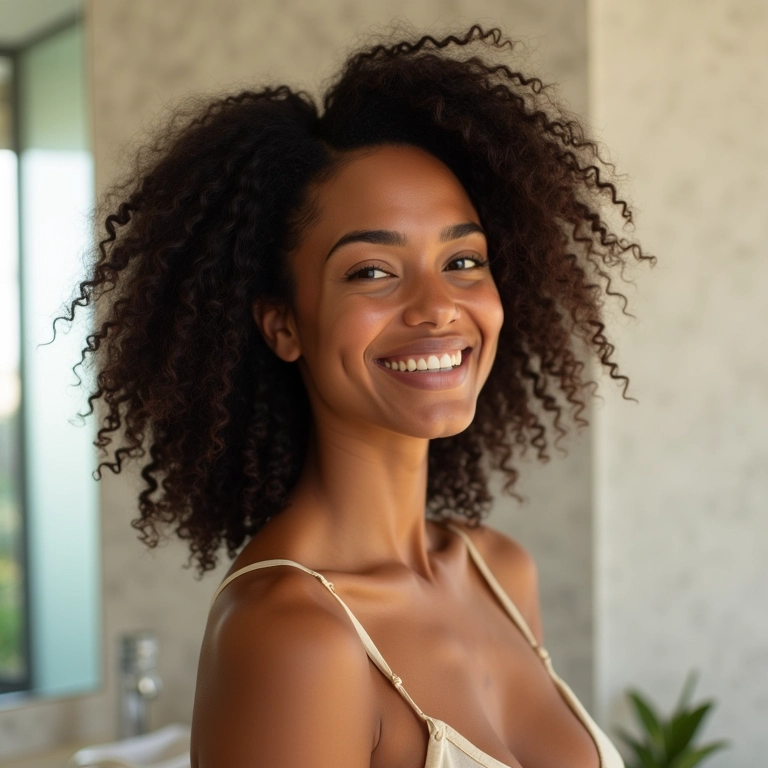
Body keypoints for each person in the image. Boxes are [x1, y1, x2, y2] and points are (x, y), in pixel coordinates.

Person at [56, 23, 654, 768]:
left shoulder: (498, 569)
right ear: (283, 325)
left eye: (463, 260)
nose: (438, 307)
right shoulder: (292, 634)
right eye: (372, 271)